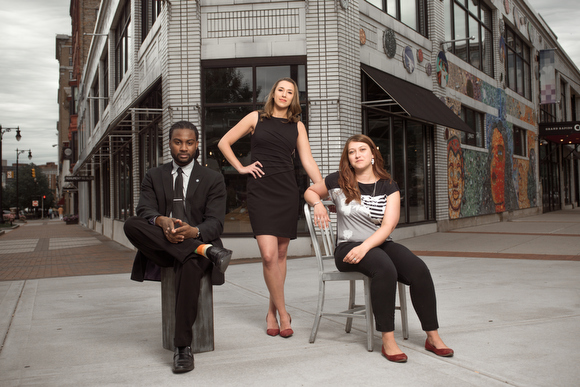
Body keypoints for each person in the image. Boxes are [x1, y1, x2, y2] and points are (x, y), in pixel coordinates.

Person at [304, 134, 453, 363]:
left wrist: (366, 247)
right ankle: (388, 340)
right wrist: (318, 205)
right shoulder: (338, 180)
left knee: (419, 269)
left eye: (362, 150)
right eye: (352, 152)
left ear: (373, 154)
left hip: (378, 244)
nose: (357, 155)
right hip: (347, 249)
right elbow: (310, 191)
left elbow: (389, 225)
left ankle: (432, 336)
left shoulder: (388, 185)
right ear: (348, 158)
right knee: (385, 269)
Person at [124, 120, 233, 374]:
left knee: (191, 264)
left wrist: (194, 232)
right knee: (132, 224)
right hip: (164, 245)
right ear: (169, 143)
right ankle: (202, 250)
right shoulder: (154, 175)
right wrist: (161, 221)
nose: (184, 147)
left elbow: (216, 223)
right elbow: (144, 210)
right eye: (178, 142)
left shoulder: (213, 179)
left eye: (189, 142)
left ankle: (182, 348)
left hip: (198, 240)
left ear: (197, 145)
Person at [218, 77, 323, 338]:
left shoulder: (297, 126)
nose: (284, 95)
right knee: (267, 255)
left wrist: (322, 186)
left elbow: (307, 159)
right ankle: (284, 312)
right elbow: (224, 142)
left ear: (293, 98)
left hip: (286, 190)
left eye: (290, 92)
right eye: (280, 90)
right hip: (260, 191)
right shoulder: (256, 118)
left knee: (281, 254)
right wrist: (241, 168)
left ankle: (271, 312)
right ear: (273, 93)